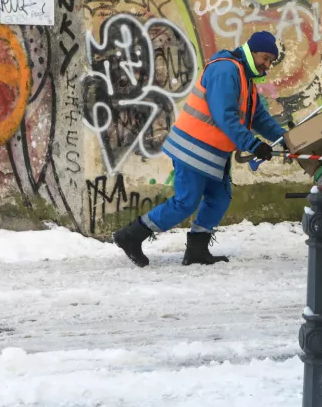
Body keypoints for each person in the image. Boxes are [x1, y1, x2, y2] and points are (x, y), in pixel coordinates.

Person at [112, 31, 287, 268]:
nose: (267, 65)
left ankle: (197, 248)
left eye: (270, 61)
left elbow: (259, 118)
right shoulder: (226, 71)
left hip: (212, 153)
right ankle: (131, 235)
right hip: (193, 149)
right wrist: (253, 144)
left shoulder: (245, 78)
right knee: (185, 202)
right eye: (264, 58)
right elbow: (224, 116)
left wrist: (286, 139)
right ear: (251, 51)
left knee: (219, 197)